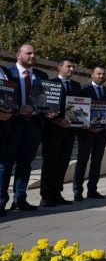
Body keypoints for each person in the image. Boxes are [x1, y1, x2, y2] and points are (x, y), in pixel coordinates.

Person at [1, 44, 51, 213]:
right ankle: (1, 201)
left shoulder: (42, 76)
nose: (32, 56)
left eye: (35, 53)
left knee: (26, 164)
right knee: (6, 163)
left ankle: (20, 199)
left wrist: (49, 111)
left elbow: (47, 101)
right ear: (17, 55)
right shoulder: (7, 74)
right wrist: (17, 110)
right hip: (12, 125)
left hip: (34, 126)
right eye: (28, 53)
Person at [39, 56, 81, 207]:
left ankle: (57, 193)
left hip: (69, 132)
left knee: (63, 163)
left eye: (73, 66)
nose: (71, 69)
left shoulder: (76, 86)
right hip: (53, 132)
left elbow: (79, 108)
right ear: (59, 68)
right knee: (50, 163)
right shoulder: (51, 84)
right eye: (68, 66)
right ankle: (46, 196)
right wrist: (56, 120)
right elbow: (44, 109)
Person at [73, 65, 106, 201]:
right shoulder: (83, 90)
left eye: (104, 74)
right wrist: (83, 125)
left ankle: (92, 190)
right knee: (82, 161)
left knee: (97, 162)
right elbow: (76, 109)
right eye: (99, 74)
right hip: (86, 132)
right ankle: (77, 191)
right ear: (92, 75)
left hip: (102, 133)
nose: (101, 76)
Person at [0, 63, 14, 217]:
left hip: (7, 124)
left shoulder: (6, 72)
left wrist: (12, 111)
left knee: (4, 165)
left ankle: (1, 201)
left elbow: (12, 96)